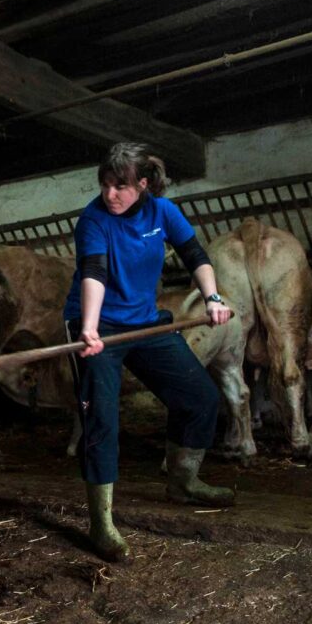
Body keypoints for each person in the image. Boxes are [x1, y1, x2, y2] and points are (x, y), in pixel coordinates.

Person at [64, 142, 235, 563]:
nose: (110, 195)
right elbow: (95, 273)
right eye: (105, 185)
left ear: (142, 184)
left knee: (199, 397)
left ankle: (183, 482)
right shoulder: (93, 219)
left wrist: (212, 296)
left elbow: (195, 254)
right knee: (102, 418)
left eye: (120, 186)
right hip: (98, 326)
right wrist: (88, 328)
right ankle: (101, 523)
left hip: (145, 322)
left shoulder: (163, 212)